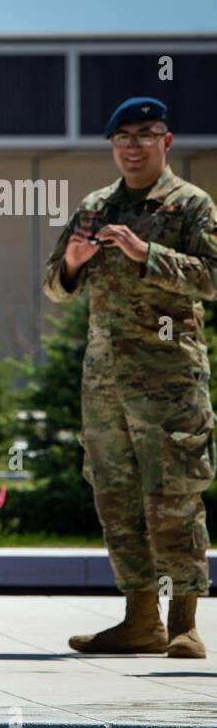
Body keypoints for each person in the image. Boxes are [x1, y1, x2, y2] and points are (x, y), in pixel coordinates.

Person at [43, 97, 216, 658]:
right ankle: (141, 620)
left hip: (169, 380)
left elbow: (213, 278)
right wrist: (70, 264)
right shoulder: (96, 207)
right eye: (123, 137)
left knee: (173, 495)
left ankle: (184, 621)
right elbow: (53, 285)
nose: (134, 146)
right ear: (113, 146)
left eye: (147, 134)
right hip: (105, 383)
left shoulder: (191, 205)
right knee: (115, 496)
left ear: (167, 142)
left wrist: (149, 254)